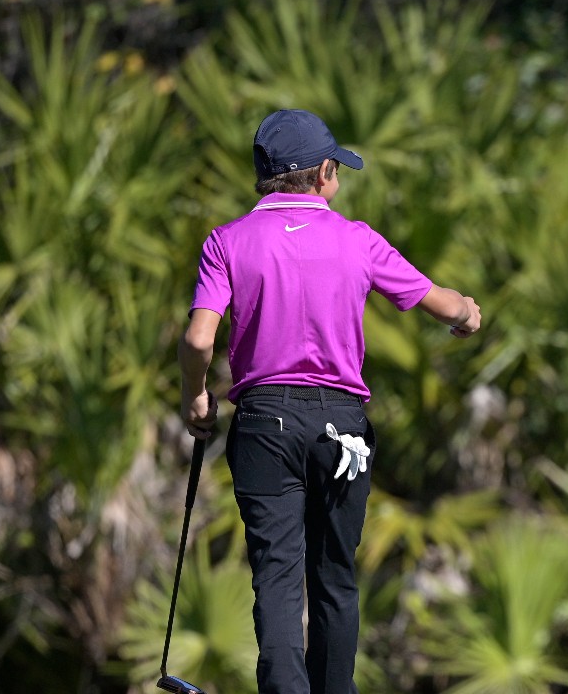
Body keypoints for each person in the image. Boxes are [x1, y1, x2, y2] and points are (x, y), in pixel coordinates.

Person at [178, 108, 481, 694]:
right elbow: (444, 306)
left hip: (264, 422)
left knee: (278, 580)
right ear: (322, 173)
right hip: (341, 427)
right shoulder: (357, 238)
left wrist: (195, 398)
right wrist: (467, 312)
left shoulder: (226, 241)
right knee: (334, 578)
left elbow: (198, 337)